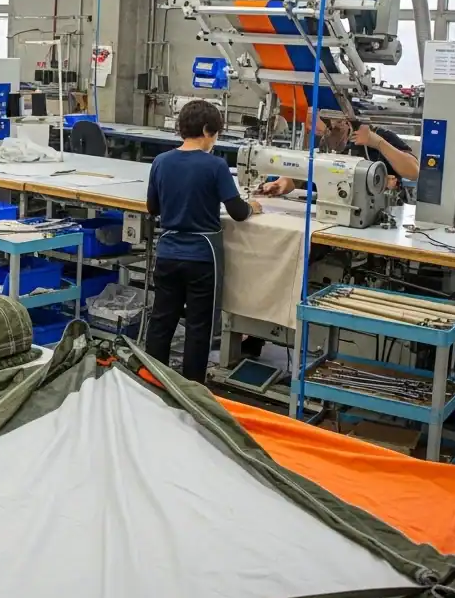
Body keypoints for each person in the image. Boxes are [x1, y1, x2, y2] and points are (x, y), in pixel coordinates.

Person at [144, 99, 261, 385]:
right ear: (208, 131)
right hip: (201, 257)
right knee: (199, 327)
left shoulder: (161, 162)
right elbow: (237, 211)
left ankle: (150, 380)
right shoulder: (215, 165)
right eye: (216, 134)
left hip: (169, 253)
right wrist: (253, 206)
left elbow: (152, 208)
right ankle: (193, 388)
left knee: (161, 321)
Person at [257, 113, 418, 197]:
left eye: (326, 131)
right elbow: (305, 169)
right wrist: (281, 183)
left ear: (344, 123)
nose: (320, 135)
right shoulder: (320, 141)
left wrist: (378, 143)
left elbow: (413, 172)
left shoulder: (378, 136)